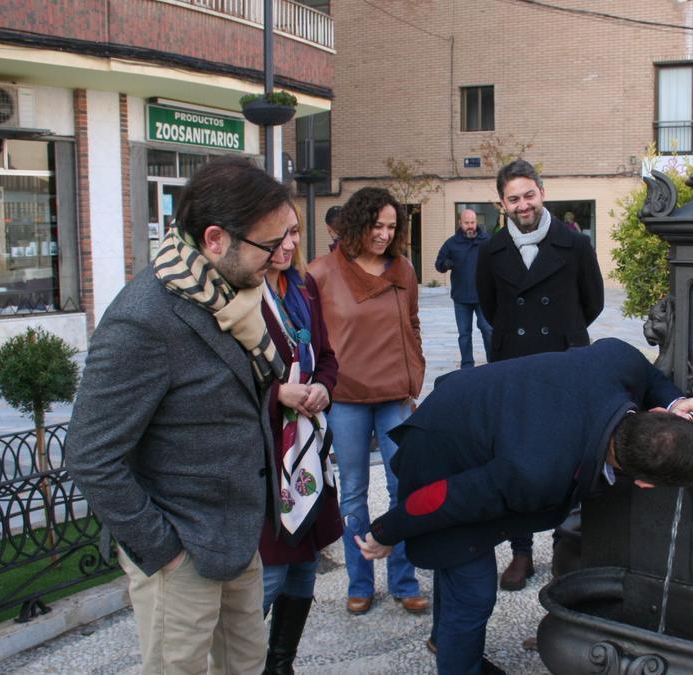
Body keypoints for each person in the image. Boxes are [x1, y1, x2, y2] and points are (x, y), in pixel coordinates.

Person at [355, 338, 693, 674]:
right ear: (644, 483)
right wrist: (387, 531)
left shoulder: (615, 361)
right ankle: (457, 661)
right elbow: (448, 499)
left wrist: (676, 404)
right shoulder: (538, 471)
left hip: (493, 426)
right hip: (442, 451)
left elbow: (647, 373)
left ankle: (445, 638)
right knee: (473, 594)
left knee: (458, 580)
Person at [65, 157, 296, 673]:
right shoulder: (142, 321)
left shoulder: (236, 297)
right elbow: (90, 455)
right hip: (182, 553)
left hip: (240, 537)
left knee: (246, 666)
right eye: (270, 242)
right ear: (215, 239)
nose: (284, 253)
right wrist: (164, 552)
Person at [475, 158, 605, 591]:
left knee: (571, 456)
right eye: (513, 198)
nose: (523, 204)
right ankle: (521, 551)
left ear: (542, 194)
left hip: (565, 365)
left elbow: (594, 302)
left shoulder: (575, 244)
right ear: (502, 204)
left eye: (529, 194)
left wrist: (566, 334)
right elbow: (491, 308)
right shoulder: (490, 252)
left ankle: (568, 548)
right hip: (514, 366)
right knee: (515, 457)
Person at [308, 186, 429, 616]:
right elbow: (308, 337)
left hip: (396, 395)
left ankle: (404, 579)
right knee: (354, 494)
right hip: (348, 397)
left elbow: (413, 322)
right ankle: (359, 582)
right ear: (358, 223)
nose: (383, 234)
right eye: (377, 225)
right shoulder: (321, 273)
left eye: (392, 226)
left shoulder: (405, 269)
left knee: (405, 489)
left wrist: (416, 369)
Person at [258, 203, 343, 675]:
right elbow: (227, 385)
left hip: (309, 448)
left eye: (294, 233)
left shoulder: (302, 287)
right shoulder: (236, 296)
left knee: (305, 569)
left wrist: (322, 389)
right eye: (279, 237)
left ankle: (280, 665)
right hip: (268, 458)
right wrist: (279, 395)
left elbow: (327, 357)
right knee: (270, 573)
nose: (291, 245)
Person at [435, 208, 492, 368]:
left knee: (488, 330)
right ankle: (467, 365)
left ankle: (493, 362)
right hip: (461, 298)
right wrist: (445, 264)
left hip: (483, 296)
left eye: (473, 222)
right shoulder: (451, 243)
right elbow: (438, 263)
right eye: (466, 223)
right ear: (460, 223)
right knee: (464, 334)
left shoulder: (487, 240)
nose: (470, 226)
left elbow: (499, 261)